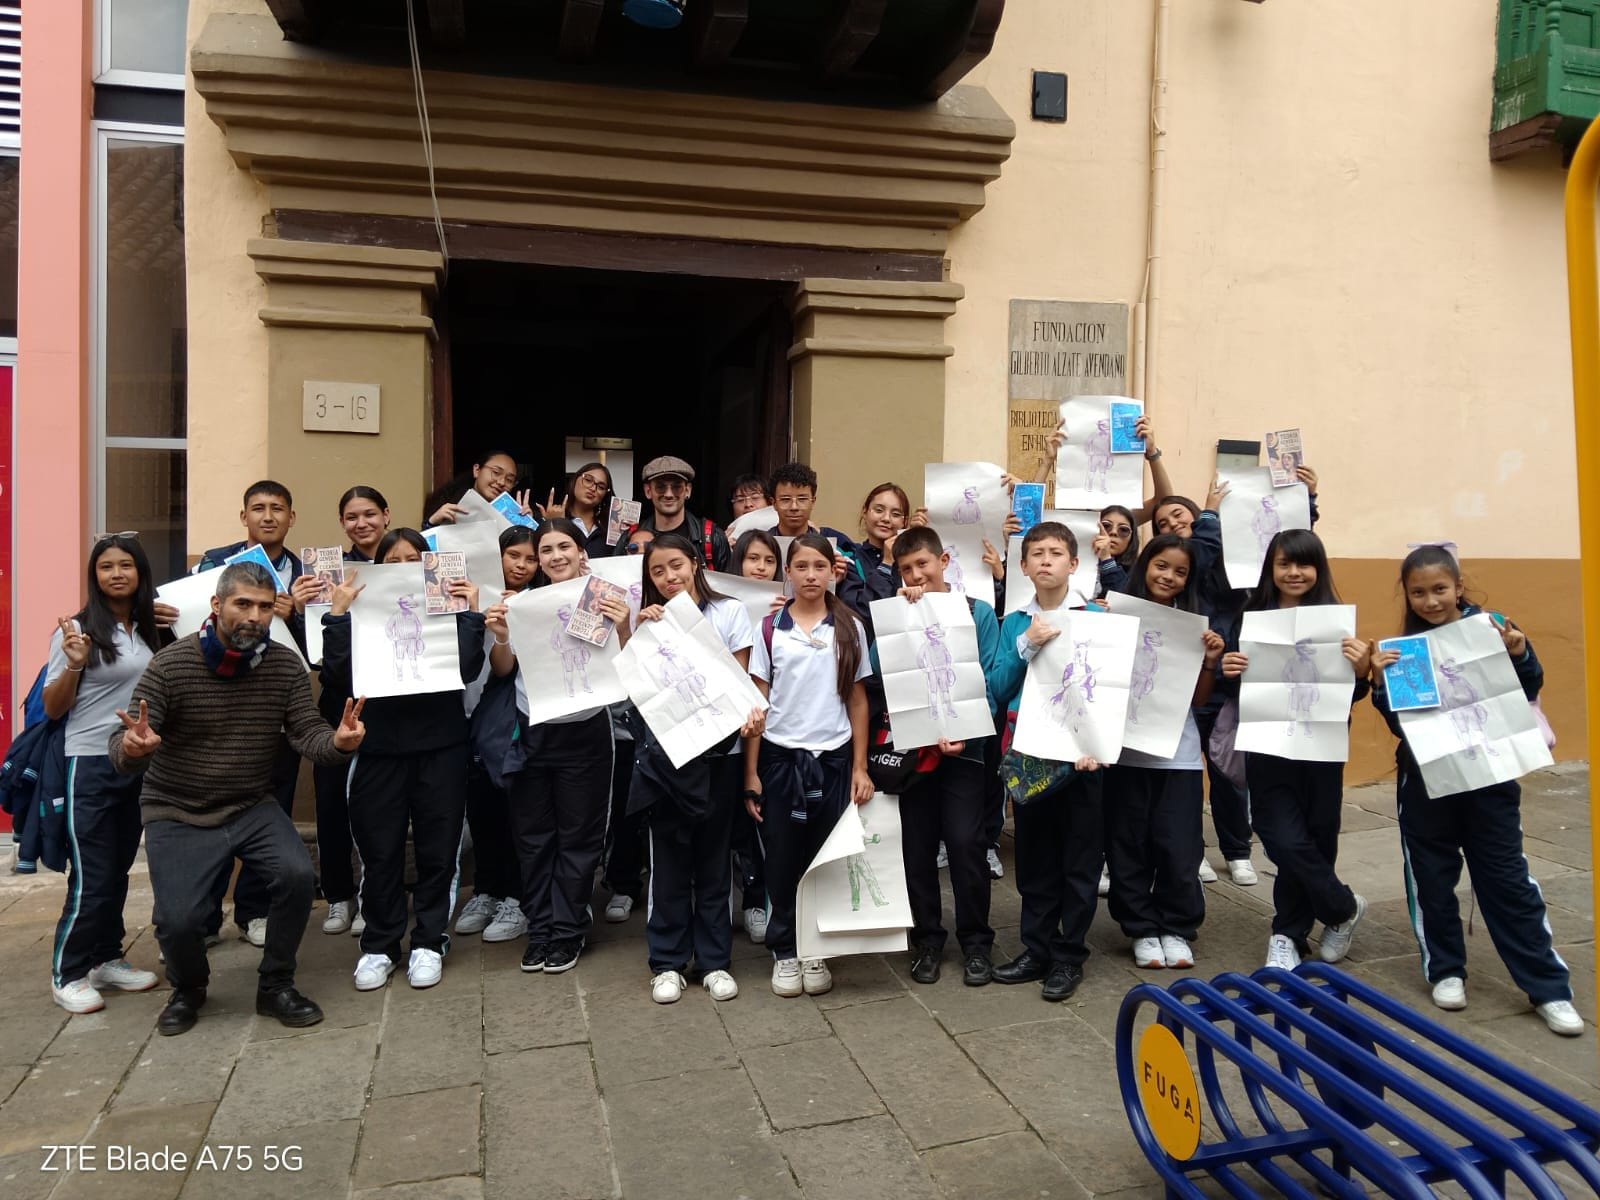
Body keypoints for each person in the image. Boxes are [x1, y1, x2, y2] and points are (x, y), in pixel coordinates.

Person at [108, 560, 366, 1036]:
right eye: (242, 604)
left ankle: (275, 985)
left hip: (249, 803)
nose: (254, 616)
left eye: (265, 607)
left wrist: (338, 743)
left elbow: (305, 732)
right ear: (216, 605)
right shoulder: (171, 665)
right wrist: (132, 747)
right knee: (179, 921)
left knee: (294, 877)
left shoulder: (284, 665)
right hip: (177, 808)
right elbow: (123, 747)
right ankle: (189, 989)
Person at [1368, 546, 1581, 1036]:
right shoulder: (1405, 651)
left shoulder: (1492, 630)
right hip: (1426, 783)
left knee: (1507, 881)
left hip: (1490, 779)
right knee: (1432, 880)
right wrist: (1382, 685)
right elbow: (1403, 726)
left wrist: (1519, 653)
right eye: (1418, 592)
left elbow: (1528, 686)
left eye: (1440, 589)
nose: (1430, 600)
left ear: (1459, 587)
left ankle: (1548, 988)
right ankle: (1445, 970)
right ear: (1407, 594)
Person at [320, 529, 485, 990]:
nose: (404, 566)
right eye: (393, 560)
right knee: (379, 851)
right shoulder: (362, 606)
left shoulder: (446, 602)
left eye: (414, 558)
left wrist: (469, 610)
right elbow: (336, 675)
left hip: (442, 746)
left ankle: (430, 941)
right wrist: (337, 614)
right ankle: (379, 944)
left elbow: (467, 668)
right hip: (378, 748)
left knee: (439, 850)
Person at [619, 533, 764, 1004]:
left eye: (676, 565)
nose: (668, 578)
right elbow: (637, 691)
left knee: (714, 862)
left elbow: (741, 684)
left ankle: (715, 960)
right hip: (668, 761)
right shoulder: (650, 622)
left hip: (719, 758)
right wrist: (638, 633)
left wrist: (750, 722)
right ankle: (666, 961)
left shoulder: (730, 613)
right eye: (657, 572)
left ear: (696, 563)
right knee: (669, 865)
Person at [1220, 530, 1370, 972]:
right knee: (1277, 832)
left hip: (1321, 746)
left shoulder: (1334, 622)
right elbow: (1236, 684)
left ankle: (1287, 932)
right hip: (1268, 745)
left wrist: (1361, 672)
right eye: (1284, 563)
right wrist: (1228, 668)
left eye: (1304, 564)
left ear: (1319, 569)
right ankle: (1342, 907)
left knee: (1317, 834)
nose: (1294, 572)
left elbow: (1350, 691)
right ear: (1271, 568)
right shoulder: (1251, 615)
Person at [486, 519, 630, 975]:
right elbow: (504, 669)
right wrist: (504, 636)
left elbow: (624, 673)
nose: (554, 556)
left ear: (580, 550)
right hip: (532, 731)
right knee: (533, 838)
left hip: (585, 731)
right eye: (544, 549)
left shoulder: (602, 597)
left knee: (579, 839)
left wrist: (623, 627)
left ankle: (566, 933)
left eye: (563, 546)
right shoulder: (523, 604)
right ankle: (541, 930)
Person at [43, 534, 174, 1013]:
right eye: (105, 567)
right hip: (90, 764)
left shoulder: (147, 629)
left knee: (117, 870)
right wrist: (75, 666)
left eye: (126, 566)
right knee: (92, 876)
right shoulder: (78, 632)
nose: (116, 574)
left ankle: (105, 958)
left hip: (136, 762)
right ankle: (68, 971)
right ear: (93, 577)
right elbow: (53, 709)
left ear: (140, 573)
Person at [746, 534, 874, 998]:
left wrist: (860, 766)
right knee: (782, 857)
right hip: (782, 757)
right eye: (801, 566)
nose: (810, 575)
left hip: (833, 757)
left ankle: (816, 947)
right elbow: (758, 700)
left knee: (823, 858)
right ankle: (784, 950)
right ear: (789, 571)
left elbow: (858, 701)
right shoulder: (770, 628)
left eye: (819, 566)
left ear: (832, 570)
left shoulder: (849, 627)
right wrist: (751, 774)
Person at [986, 522, 1104, 1003]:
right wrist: (1027, 643)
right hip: (1030, 756)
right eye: (1036, 554)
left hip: (1083, 759)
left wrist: (1100, 745)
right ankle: (1035, 949)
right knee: (1034, 859)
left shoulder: (1097, 615)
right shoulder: (1014, 621)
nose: (1046, 561)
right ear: (1023, 566)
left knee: (1079, 860)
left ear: (1074, 564)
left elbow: (1112, 689)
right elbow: (996, 687)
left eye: (1056, 553)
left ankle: (1068, 954)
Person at [195, 480, 315, 947]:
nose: (268, 516)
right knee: (211, 813)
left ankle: (254, 910)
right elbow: (194, 624)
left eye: (277, 509)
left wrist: (298, 615)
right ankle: (204, 918)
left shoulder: (307, 574)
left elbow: (325, 649)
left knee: (274, 809)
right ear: (243, 516)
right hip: (217, 708)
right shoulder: (211, 566)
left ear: (291, 518)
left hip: (275, 707)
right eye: (258, 509)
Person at [1101, 535, 1226, 970]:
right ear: (1145, 565)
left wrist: (1209, 660)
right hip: (1124, 753)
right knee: (1128, 843)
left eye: (1180, 572)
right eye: (1161, 566)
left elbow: (1197, 700)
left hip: (1179, 755)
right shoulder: (1115, 611)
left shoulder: (1192, 625)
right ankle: (1140, 927)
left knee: (1178, 844)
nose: (1168, 577)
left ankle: (1177, 925)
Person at [889, 527, 1003, 987]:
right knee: (916, 852)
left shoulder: (976, 612)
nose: (917, 575)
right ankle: (927, 941)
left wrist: (962, 731)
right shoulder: (899, 610)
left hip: (965, 751)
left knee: (964, 845)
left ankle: (977, 942)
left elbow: (991, 681)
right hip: (916, 752)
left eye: (923, 564)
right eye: (907, 568)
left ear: (944, 561)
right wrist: (899, 615)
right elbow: (881, 668)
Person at [315, 486, 393, 937]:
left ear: (386, 515)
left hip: (392, 697)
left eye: (369, 514)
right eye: (351, 517)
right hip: (340, 696)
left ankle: (372, 895)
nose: (361, 523)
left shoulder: (410, 563)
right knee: (330, 799)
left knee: (376, 802)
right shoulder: (327, 572)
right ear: (342, 523)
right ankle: (338, 896)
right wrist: (299, 605)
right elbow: (311, 640)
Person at [457, 526, 538, 943]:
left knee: (514, 811)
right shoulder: (466, 592)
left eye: (529, 558)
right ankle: (486, 890)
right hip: (466, 715)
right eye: (513, 556)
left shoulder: (540, 602)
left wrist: (515, 621)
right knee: (482, 808)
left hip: (510, 722)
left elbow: (508, 668)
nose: (521, 565)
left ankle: (516, 896)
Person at [729, 529, 786, 942]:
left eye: (768, 561)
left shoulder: (788, 609)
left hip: (772, 724)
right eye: (753, 559)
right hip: (727, 725)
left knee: (760, 813)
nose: (760, 568)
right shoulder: (721, 607)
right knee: (732, 817)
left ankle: (758, 898)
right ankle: (743, 897)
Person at [602, 534, 651, 924]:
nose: (641, 555)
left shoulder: (672, 602)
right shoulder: (602, 593)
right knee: (622, 806)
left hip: (663, 725)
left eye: (650, 549)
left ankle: (660, 882)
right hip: (618, 724)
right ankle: (622, 883)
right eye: (633, 549)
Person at [631, 456, 731, 573]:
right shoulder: (631, 537)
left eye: (676, 487)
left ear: (687, 490)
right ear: (648, 491)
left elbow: (729, 587)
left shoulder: (712, 537)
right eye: (660, 487)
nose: (668, 494)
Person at [838, 482, 910, 627]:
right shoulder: (849, 559)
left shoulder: (910, 563)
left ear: (905, 522)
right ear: (865, 512)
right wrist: (886, 563)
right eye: (879, 510)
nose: (886, 518)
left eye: (895, 514)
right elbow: (861, 613)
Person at [532, 461, 615, 558]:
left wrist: (626, 535)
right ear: (575, 480)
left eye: (601, 487)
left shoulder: (611, 526)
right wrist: (555, 524)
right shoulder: (553, 516)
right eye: (588, 480)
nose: (593, 488)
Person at [425, 449, 520, 526]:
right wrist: (431, 523)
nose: (501, 482)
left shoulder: (512, 517)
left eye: (509, 480)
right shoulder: (447, 503)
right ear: (477, 470)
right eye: (496, 472)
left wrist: (525, 527)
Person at [1091, 505, 1139, 598]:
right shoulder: (1076, 561)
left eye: (1123, 530)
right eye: (1106, 526)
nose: (1113, 532)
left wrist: (1106, 558)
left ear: (1131, 538)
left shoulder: (1138, 571)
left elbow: (1119, 600)